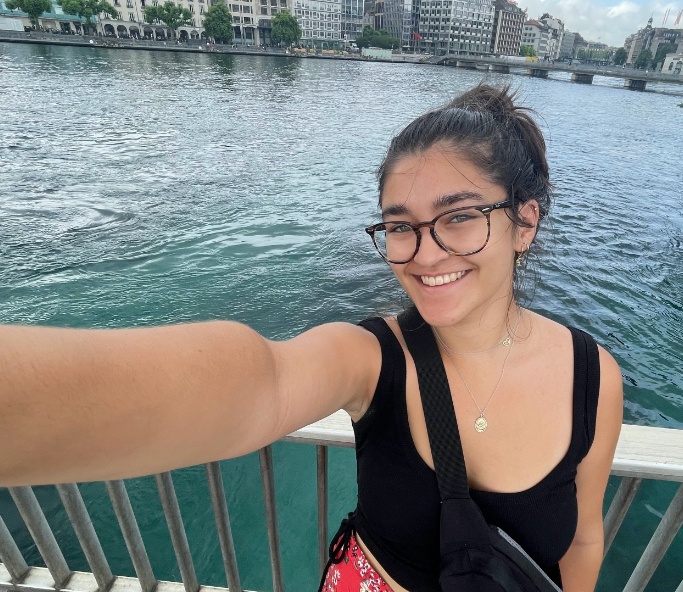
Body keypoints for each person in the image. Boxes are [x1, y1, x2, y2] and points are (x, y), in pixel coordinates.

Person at [0, 83, 623, 592]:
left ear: (524, 223)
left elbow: (585, 540)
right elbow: (259, 383)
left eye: (459, 217)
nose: (425, 254)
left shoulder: (593, 378)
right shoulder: (371, 357)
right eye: (399, 227)